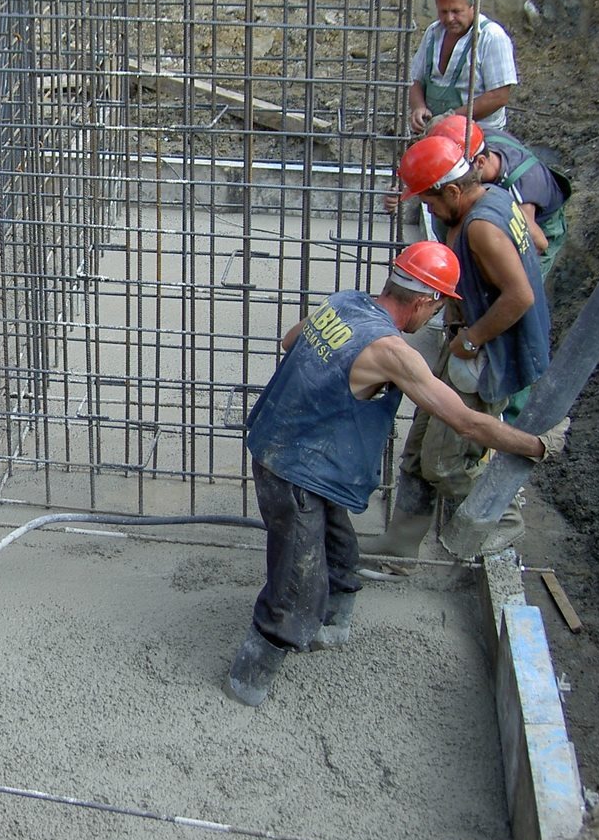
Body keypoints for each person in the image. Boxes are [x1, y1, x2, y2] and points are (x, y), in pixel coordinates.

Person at [225, 242, 568, 707]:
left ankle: (333, 625)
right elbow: (465, 421)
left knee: (337, 548)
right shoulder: (392, 352)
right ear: (426, 301)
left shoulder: (345, 302)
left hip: (279, 443)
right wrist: (537, 445)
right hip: (293, 472)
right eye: (440, 307)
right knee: (295, 586)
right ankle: (248, 680)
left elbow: (290, 341)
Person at [361, 136, 552, 561]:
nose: (427, 210)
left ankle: (500, 519)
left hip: (486, 355)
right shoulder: (494, 200)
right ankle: (400, 548)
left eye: (429, 201)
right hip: (467, 342)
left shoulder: (482, 226)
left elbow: (520, 296)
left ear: (451, 191)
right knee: (419, 450)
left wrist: (471, 339)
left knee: (446, 461)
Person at [425, 117, 573, 279]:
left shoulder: (521, 190)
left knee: (513, 282)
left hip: (539, 226)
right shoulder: (469, 139)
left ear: (480, 163)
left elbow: (534, 244)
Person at [407, 0, 518, 134]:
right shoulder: (432, 33)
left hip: (480, 134)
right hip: (437, 133)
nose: (449, 18)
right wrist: (418, 107)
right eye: (443, 12)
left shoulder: (491, 37)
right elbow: (415, 79)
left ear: (473, 5)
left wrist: (449, 118)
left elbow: (499, 96)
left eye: (456, 11)